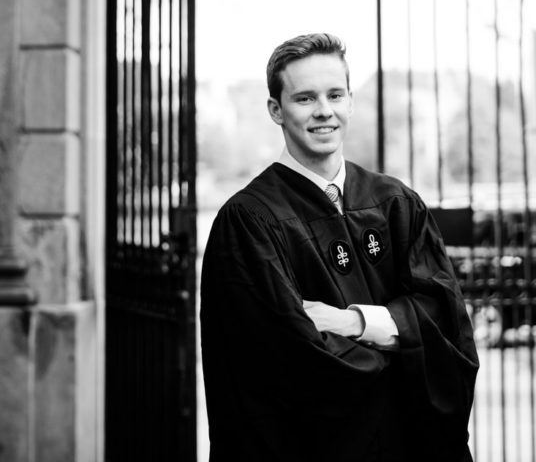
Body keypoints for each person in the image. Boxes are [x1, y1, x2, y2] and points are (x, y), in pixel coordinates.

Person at [200, 33, 479, 462]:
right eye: (305, 98)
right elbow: (283, 357)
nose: (324, 111)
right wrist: (402, 343)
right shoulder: (250, 222)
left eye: (335, 95)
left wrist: (355, 323)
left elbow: (445, 318)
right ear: (276, 110)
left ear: (350, 101)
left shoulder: (396, 204)